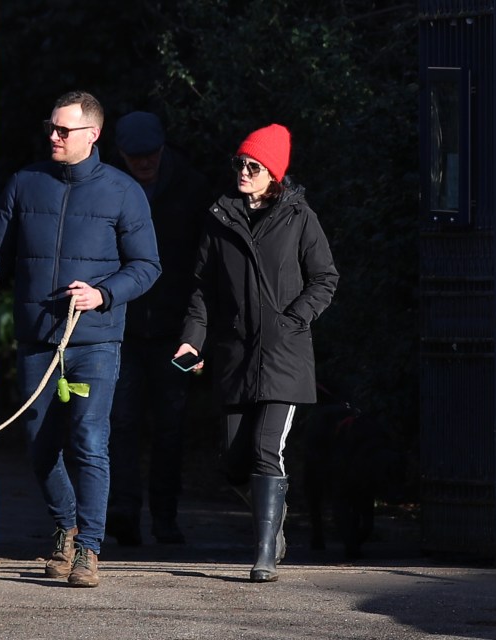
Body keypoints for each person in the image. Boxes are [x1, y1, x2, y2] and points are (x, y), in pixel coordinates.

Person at [0, 91, 161, 588]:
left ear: (93, 134)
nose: (54, 136)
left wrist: (103, 294)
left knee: (88, 440)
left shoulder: (124, 192)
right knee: (40, 448)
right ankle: (67, 524)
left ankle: (88, 549)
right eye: (52, 127)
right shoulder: (25, 184)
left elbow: (147, 266)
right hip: (39, 339)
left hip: (96, 342)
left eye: (64, 130)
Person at [175, 124, 338, 582]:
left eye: (254, 166)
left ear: (274, 174)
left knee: (268, 448)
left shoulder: (300, 217)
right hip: (233, 354)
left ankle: (264, 552)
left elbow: (325, 277)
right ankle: (274, 524)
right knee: (232, 460)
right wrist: (193, 338)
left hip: (284, 356)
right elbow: (203, 289)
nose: (243, 172)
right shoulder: (219, 216)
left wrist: (293, 320)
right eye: (240, 164)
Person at [106, 111, 211, 546]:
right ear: (121, 154)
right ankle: (125, 514)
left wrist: (197, 331)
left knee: (171, 426)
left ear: (163, 149)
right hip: (123, 325)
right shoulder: (109, 186)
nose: (143, 163)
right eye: (135, 157)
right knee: (122, 423)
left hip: (172, 327)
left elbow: (204, 264)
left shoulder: (192, 188)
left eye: (150, 155)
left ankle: (165, 516)